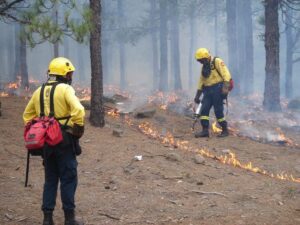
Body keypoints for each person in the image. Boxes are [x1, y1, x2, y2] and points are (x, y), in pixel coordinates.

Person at [23, 57, 85, 225]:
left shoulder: (39, 91)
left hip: (46, 142)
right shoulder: (65, 89)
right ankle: (69, 219)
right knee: (68, 178)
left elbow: (27, 116)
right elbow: (78, 110)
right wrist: (77, 129)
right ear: (63, 74)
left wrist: (40, 126)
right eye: (69, 73)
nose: (71, 77)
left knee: (50, 179)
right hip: (64, 140)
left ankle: (47, 219)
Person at [193, 48, 231, 138]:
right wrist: (197, 96)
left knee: (218, 111)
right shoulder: (204, 66)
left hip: (218, 90)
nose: (200, 62)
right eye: (199, 61)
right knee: (204, 110)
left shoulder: (217, 61)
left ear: (206, 57)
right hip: (207, 91)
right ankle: (205, 131)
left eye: (201, 60)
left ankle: (225, 130)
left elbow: (226, 75)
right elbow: (201, 82)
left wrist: (225, 90)